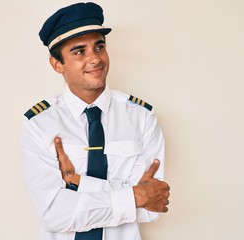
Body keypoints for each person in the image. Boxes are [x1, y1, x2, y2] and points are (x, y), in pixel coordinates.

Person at [20, 2, 170, 240]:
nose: (95, 59)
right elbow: (53, 214)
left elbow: (153, 206)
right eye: (79, 51)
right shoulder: (40, 124)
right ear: (57, 64)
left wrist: (76, 183)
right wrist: (133, 196)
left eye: (99, 47)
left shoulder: (142, 117)